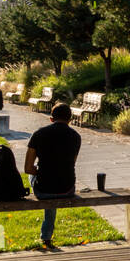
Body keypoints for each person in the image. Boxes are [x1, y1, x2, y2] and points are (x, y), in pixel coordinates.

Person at [23, 103, 81, 248]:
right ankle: (47, 236)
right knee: (54, 181)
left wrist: (44, 170)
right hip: (67, 189)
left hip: (43, 189)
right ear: (70, 119)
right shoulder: (76, 136)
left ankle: (46, 237)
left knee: (42, 182)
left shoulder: (38, 134)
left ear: (51, 119)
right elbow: (70, 164)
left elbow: (28, 169)